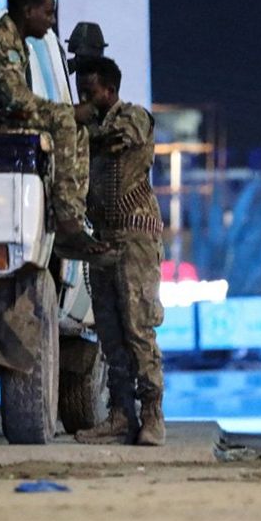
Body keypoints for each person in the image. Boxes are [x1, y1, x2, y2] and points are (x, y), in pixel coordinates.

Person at [0, 0, 113, 265]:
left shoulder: (16, 42)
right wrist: (70, 111)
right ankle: (68, 224)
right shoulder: (0, 41)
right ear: (28, 11)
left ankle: (69, 216)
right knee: (65, 121)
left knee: (75, 129)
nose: (52, 21)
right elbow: (19, 101)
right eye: (48, 13)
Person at [71, 57, 167, 446]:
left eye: (90, 93)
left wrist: (74, 125)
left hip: (136, 238)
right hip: (104, 237)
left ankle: (152, 416)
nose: (85, 100)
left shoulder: (133, 117)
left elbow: (117, 140)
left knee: (138, 329)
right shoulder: (87, 125)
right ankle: (121, 415)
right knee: (110, 335)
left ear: (109, 91)